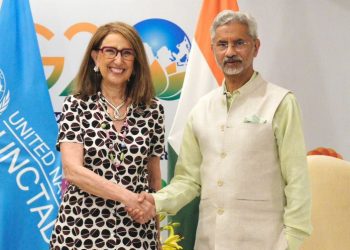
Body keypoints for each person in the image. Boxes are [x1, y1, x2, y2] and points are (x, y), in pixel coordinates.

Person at [129, 10, 312, 250]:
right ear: (213, 49)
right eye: (222, 44)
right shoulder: (201, 109)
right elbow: (188, 180)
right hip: (210, 240)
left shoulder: (280, 102)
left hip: (266, 242)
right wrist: (155, 201)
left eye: (239, 43)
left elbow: (297, 178)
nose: (230, 52)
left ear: (255, 47)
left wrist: (292, 240)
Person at [50, 21, 164, 250]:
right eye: (110, 51)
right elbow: (73, 171)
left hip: (137, 230)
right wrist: (128, 197)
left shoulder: (152, 110)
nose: (118, 61)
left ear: (136, 61)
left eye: (127, 53)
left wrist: (156, 229)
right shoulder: (76, 105)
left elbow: (153, 180)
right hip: (81, 231)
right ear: (95, 57)